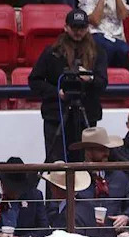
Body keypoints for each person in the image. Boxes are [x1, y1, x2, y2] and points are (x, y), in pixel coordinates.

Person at [28, 9, 109, 163]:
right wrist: (55, 92)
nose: (78, 32)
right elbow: (34, 80)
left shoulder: (98, 52)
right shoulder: (52, 52)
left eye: (82, 28)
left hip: (86, 113)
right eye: (74, 27)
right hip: (56, 114)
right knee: (56, 162)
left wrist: (90, 79)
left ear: (87, 28)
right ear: (66, 28)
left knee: (85, 161)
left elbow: (102, 83)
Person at [70, 126, 129, 237]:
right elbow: (57, 208)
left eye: (107, 148)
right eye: (101, 149)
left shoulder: (119, 177)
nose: (106, 153)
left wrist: (126, 217)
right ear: (88, 151)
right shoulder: (74, 177)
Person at [78, 0, 129, 68]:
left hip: (116, 36)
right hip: (96, 34)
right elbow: (95, 21)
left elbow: (123, 15)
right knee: (107, 48)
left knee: (124, 49)